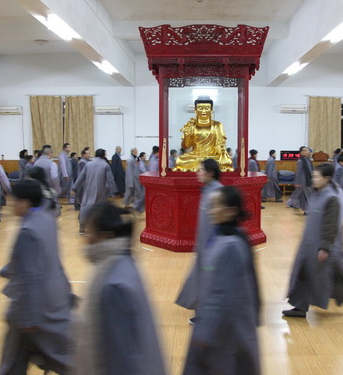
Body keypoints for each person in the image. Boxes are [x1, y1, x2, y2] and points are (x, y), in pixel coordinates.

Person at [76, 202, 166, 375]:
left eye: (89, 231)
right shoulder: (123, 261)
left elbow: (119, 357)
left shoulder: (112, 284)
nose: (85, 238)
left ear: (105, 236)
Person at [0, 180, 74, 374]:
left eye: (15, 201)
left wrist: (28, 318)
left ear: (25, 203)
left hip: (32, 308)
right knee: (54, 356)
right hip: (53, 299)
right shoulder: (47, 219)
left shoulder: (27, 231)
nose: (12, 205)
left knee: (58, 360)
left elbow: (29, 277)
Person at [183, 186, 261, 375]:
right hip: (221, 331)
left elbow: (222, 297)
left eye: (216, 206)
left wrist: (203, 335)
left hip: (223, 333)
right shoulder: (224, 237)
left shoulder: (230, 246)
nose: (210, 211)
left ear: (231, 211)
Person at [283, 163, 343, 318]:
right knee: (303, 273)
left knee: (327, 279)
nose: (314, 179)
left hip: (323, 247)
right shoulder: (316, 193)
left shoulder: (332, 198)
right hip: (309, 244)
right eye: (313, 176)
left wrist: (325, 248)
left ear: (327, 178)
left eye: (317, 177)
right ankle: (300, 306)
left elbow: (331, 226)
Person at [176, 159, 223, 322]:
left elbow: (219, 226)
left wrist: (211, 250)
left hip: (212, 249)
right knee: (202, 280)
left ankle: (208, 316)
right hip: (204, 247)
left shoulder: (217, 193)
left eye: (201, 170)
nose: (198, 172)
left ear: (210, 173)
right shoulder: (208, 191)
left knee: (209, 281)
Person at [174, 97, 233, 172]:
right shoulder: (191, 125)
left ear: (211, 110)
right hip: (196, 156)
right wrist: (187, 135)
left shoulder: (218, 125)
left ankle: (204, 165)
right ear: (196, 110)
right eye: (200, 108)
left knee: (228, 161)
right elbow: (186, 146)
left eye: (207, 108)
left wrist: (223, 155)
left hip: (212, 156)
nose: (204, 111)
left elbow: (221, 143)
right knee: (179, 160)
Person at [72, 149, 117, 235]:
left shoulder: (88, 164)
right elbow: (110, 180)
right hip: (101, 190)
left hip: (88, 188)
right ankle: (97, 227)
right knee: (99, 209)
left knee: (85, 206)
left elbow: (81, 177)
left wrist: (74, 188)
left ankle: (82, 227)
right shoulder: (105, 165)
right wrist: (113, 192)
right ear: (103, 155)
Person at [286, 146, 313, 214]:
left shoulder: (308, 160)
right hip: (303, 182)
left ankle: (304, 208)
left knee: (305, 196)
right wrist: (297, 182)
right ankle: (306, 210)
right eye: (306, 150)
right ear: (302, 152)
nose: (308, 152)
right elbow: (298, 172)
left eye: (308, 150)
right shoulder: (300, 161)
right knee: (306, 196)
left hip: (309, 181)